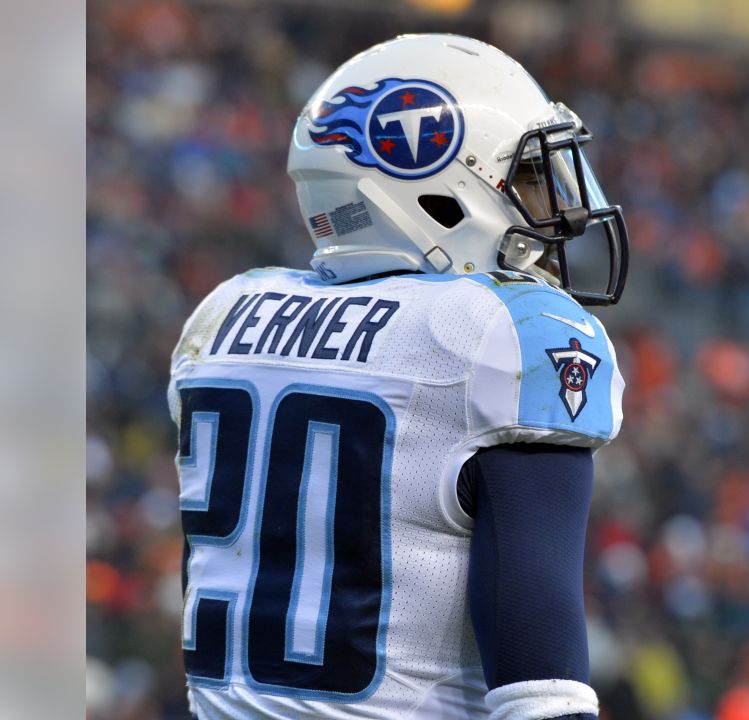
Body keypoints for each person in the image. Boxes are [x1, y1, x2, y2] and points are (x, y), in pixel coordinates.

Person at [167, 34, 628, 719]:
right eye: (529, 181)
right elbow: (541, 690)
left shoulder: (224, 319)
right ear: (433, 182)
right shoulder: (492, 331)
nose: (557, 217)